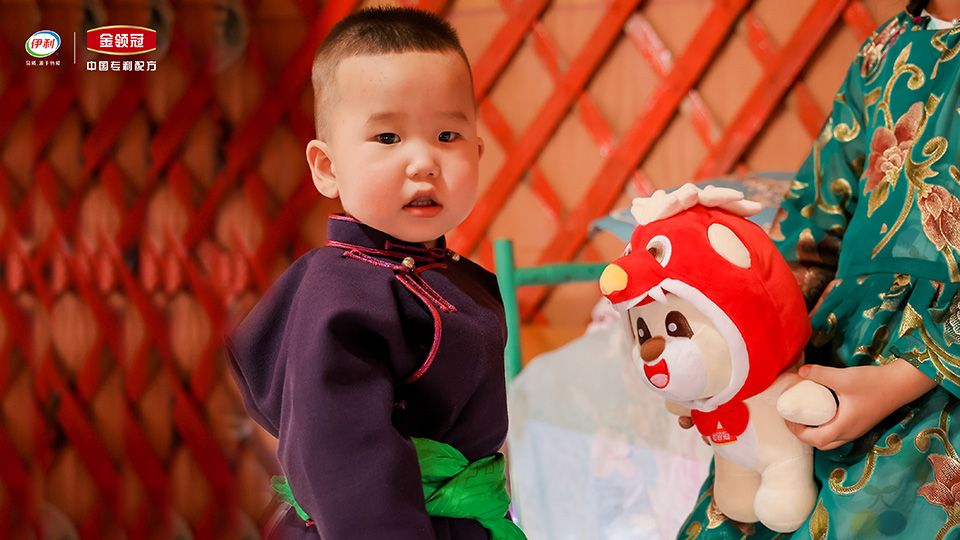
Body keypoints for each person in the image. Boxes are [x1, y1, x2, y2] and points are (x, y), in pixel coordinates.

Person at [225, 7, 524, 539]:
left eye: (447, 135)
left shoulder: (456, 277)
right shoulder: (340, 296)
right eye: (388, 138)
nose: (424, 162)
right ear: (327, 167)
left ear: (478, 153)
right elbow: (345, 459)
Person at [678, 1, 960, 538]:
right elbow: (811, 227)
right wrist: (732, 353)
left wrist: (900, 381)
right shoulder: (884, 47)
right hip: (836, 347)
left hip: (940, 371)